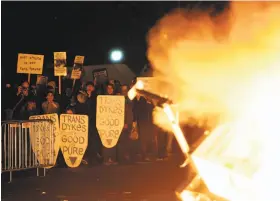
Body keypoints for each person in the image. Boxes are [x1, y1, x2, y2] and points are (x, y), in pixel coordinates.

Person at [132, 94, 153, 161]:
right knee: (135, 137)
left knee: (143, 139)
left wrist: (148, 102)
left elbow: (149, 109)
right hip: (135, 121)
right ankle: (137, 154)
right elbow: (133, 110)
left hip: (143, 121)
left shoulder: (144, 100)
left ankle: (144, 155)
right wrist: (134, 120)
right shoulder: (133, 100)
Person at [117, 85, 134, 163]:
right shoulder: (120, 100)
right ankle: (122, 158)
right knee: (122, 141)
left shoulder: (129, 100)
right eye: (123, 90)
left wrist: (128, 122)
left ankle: (127, 157)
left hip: (128, 123)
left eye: (125, 90)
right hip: (122, 123)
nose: (124, 91)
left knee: (127, 141)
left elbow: (130, 112)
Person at [103, 84, 118, 165]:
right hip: (105, 124)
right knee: (105, 141)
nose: (109, 89)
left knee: (114, 141)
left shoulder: (117, 98)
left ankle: (113, 158)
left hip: (114, 123)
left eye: (111, 88)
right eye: (108, 88)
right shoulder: (102, 99)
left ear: (113, 89)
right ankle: (106, 159)